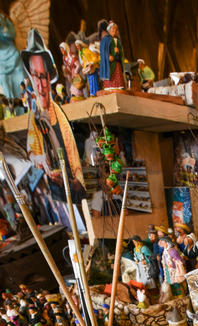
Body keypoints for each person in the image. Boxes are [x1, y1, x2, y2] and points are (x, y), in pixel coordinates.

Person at [22, 29, 86, 204]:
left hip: (74, 196)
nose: (40, 84)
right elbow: (32, 152)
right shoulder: (34, 117)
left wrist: (77, 182)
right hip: (53, 196)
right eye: (35, 76)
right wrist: (42, 163)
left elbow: (73, 155)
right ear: (30, 77)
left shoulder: (59, 115)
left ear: (49, 77)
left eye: (43, 77)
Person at [99, 21, 124, 91]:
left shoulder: (117, 40)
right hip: (109, 63)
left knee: (118, 73)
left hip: (116, 61)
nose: (115, 31)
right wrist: (108, 56)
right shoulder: (105, 40)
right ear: (109, 30)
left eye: (116, 29)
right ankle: (110, 86)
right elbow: (103, 51)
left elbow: (121, 50)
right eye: (113, 29)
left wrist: (118, 51)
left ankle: (119, 85)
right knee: (110, 73)